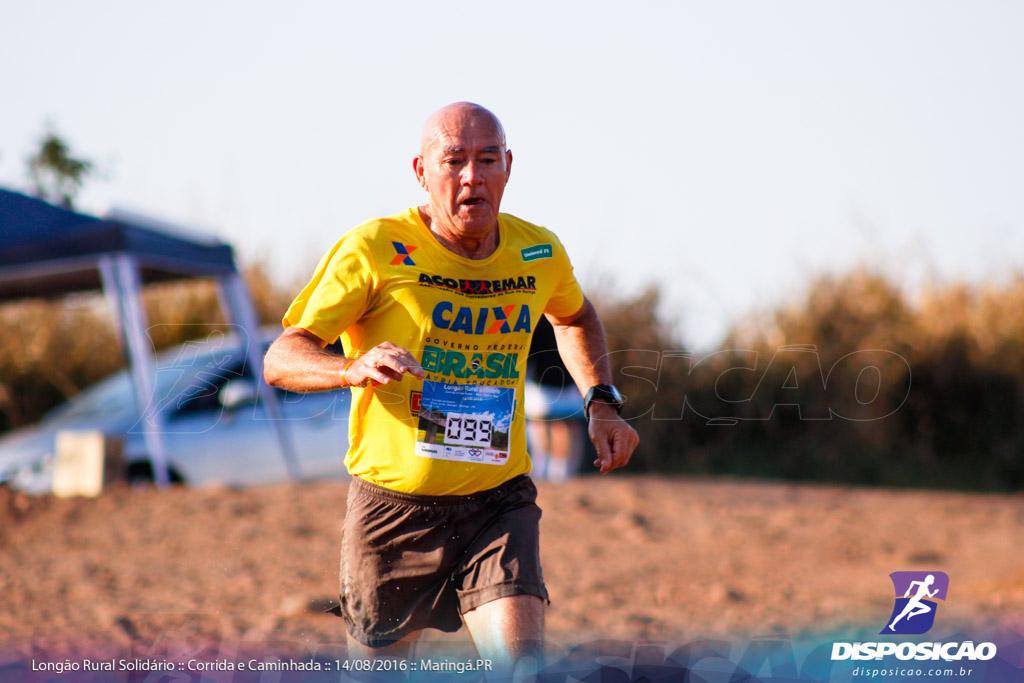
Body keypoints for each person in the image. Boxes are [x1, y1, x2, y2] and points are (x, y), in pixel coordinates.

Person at [263, 102, 639, 668]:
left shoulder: (538, 252)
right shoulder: (373, 248)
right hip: (394, 512)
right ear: (421, 171)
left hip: (497, 504)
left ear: (508, 167)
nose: (472, 176)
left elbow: (576, 317)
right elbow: (281, 357)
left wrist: (602, 403)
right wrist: (350, 368)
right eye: (454, 161)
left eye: (487, 160)